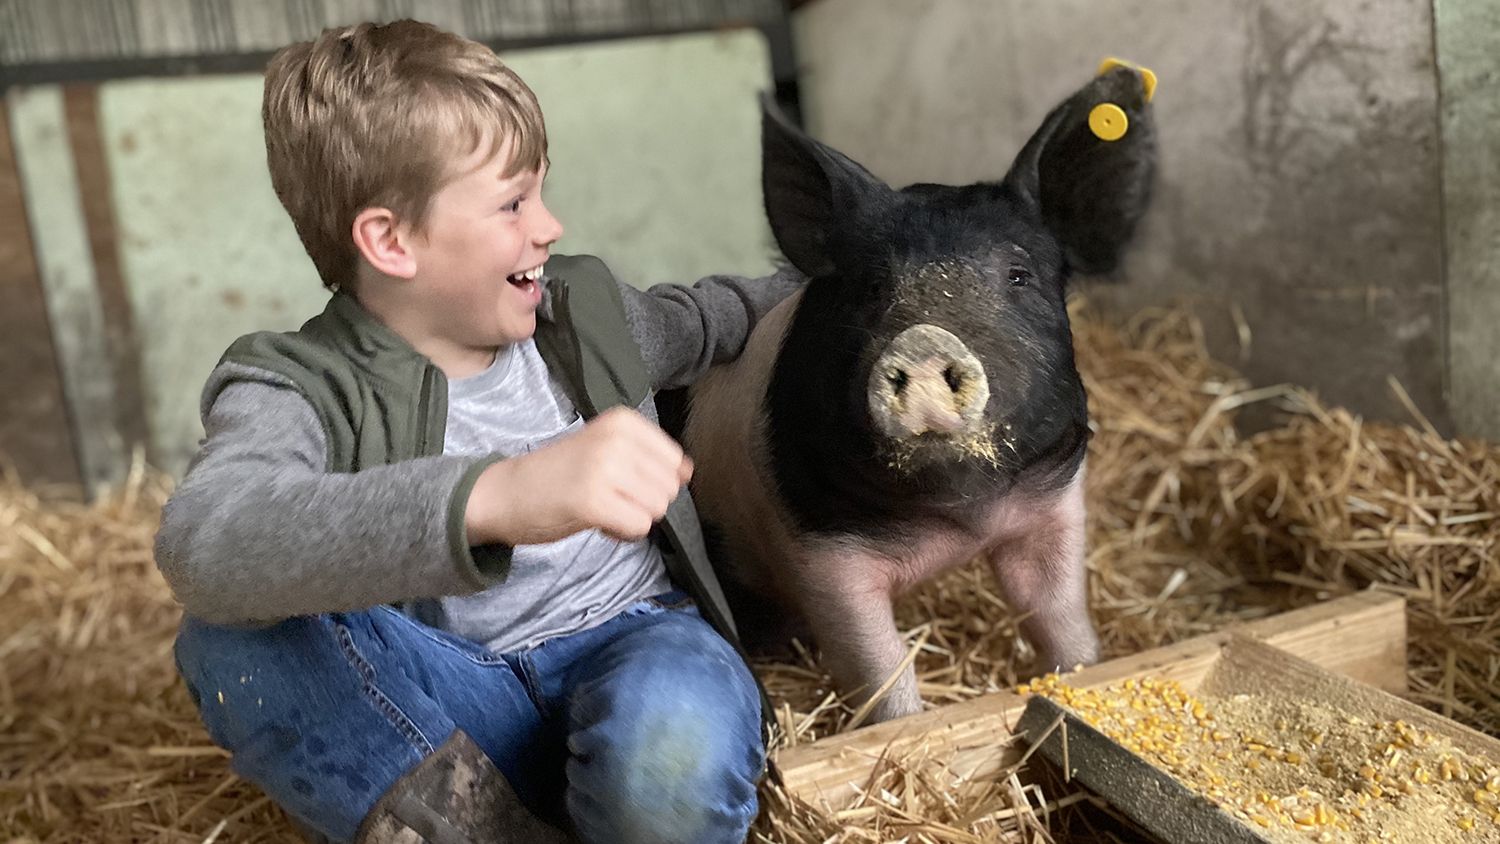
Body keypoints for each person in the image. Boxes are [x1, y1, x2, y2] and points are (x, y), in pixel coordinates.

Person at [155, 18, 800, 844]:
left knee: (667, 739)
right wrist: (489, 499)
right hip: (445, 720)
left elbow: (723, 315)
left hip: (640, 644)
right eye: (513, 201)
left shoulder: (584, 315)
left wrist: (854, 281)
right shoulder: (296, 384)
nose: (548, 225)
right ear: (390, 240)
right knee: (232, 646)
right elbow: (205, 543)